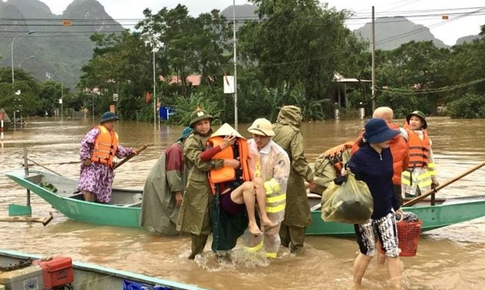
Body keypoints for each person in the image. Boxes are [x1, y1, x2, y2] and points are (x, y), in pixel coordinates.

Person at [347, 118, 403, 289]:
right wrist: (343, 174)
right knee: (368, 252)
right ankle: (356, 284)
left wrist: (396, 205)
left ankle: (398, 287)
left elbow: (388, 181)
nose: (389, 139)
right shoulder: (359, 157)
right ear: (372, 139)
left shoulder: (386, 152)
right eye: (384, 136)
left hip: (385, 211)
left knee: (393, 250)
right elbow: (348, 183)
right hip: (365, 214)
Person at [176, 108, 239, 260]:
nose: (203, 126)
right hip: (200, 188)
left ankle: (222, 256)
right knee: (200, 226)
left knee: (221, 220)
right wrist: (225, 162)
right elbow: (200, 163)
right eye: (199, 124)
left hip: (219, 184)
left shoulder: (217, 137)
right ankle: (194, 258)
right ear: (194, 126)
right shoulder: (191, 141)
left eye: (206, 122)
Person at [200, 123, 276, 237]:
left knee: (258, 181)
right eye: (226, 138)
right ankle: (252, 222)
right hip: (226, 199)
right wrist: (222, 146)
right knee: (248, 186)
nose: (230, 141)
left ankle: (264, 217)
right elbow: (202, 157)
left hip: (244, 196)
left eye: (232, 139)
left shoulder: (242, 145)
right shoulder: (214, 145)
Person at [244, 118, 290, 259]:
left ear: (269, 136)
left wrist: (261, 190)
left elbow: (280, 181)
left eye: (262, 136)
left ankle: (272, 261)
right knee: (251, 232)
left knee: (271, 234)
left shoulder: (279, 154)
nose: (258, 140)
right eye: (255, 135)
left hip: (273, 203)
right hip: (250, 198)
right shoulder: (246, 146)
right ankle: (250, 260)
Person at [272, 105, 314, 255]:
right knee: (298, 215)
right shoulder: (294, 133)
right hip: (290, 180)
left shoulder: (271, 129)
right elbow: (298, 160)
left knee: (280, 215)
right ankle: (298, 252)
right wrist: (310, 177)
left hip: (272, 180)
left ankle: (281, 251)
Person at [139, 126, 193, 235]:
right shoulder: (176, 149)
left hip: (169, 181)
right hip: (160, 182)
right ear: (185, 139)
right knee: (165, 209)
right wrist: (177, 193)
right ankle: (163, 235)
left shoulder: (187, 150)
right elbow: (173, 172)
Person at [352, 107, 409, 205]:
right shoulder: (402, 139)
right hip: (394, 182)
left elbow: (353, 158)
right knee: (396, 210)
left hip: (371, 185)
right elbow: (405, 164)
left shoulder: (365, 137)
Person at [77, 111, 137, 203]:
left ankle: (100, 206)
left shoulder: (113, 135)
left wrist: (129, 151)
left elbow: (118, 150)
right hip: (93, 166)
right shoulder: (96, 131)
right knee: (90, 186)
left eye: (114, 121)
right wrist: (85, 158)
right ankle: (88, 205)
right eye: (110, 121)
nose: (112, 123)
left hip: (106, 169)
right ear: (103, 122)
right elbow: (84, 144)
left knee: (104, 192)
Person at [401, 111, 439, 197]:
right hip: (407, 177)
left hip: (422, 178)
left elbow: (431, 161)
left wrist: (434, 179)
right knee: (406, 197)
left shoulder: (427, 140)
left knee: (422, 197)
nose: (413, 122)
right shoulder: (404, 135)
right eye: (411, 119)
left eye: (416, 120)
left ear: (422, 123)